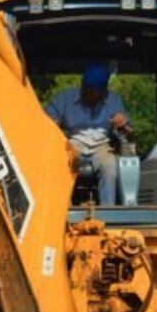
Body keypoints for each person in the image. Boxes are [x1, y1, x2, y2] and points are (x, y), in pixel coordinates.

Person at [46, 62, 133, 206]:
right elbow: (44, 119)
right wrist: (52, 123)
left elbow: (130, 133)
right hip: (72, 145)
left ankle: (109, 213)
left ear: (104, 90)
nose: (88, 93)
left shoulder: (115, 101)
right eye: (86, 88)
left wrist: (123, 123)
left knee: (110, 165)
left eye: (93, 91)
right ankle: (64, 212)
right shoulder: (65, 98)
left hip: (102, 147)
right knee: (60, 163)